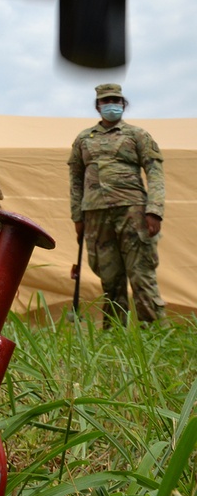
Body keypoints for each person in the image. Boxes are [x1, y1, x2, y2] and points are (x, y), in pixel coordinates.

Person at [68, 83, 165, 325]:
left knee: (141, 275)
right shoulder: (83, 139)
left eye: (116, 100)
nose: (112, 104)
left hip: (133, 212)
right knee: (109, 278)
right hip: (95, 215)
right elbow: (75, 179)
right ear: (98, 105)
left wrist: (154, 210)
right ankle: (114, 335)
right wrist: (77, 217)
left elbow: (155, 172)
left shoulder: (137, 135)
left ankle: (155, 334)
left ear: (123, 104)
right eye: (106, 100)